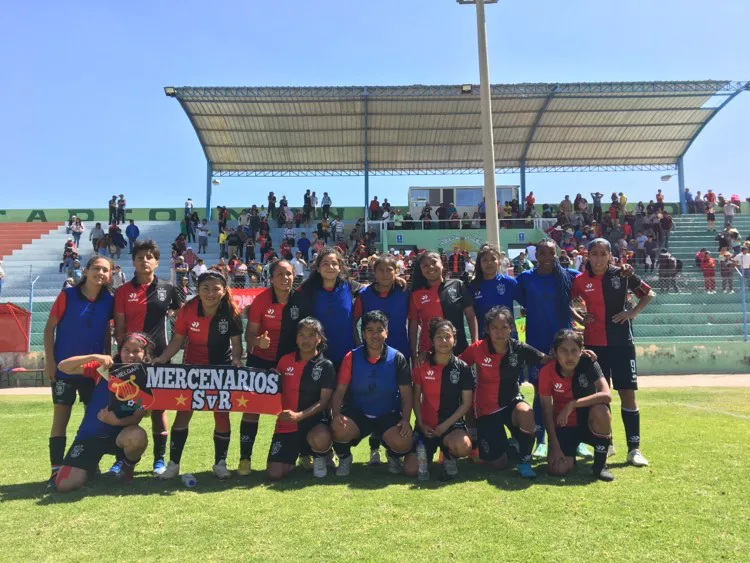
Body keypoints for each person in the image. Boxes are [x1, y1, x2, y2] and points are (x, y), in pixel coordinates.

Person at [153, 271, 244, 480]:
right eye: (205, 288)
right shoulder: (188, 310)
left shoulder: (231, 310)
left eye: (216, 288)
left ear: (224, 290)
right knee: (183, 413)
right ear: (198, 290)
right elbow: (177, 341)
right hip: (192, 369)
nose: (211, 293)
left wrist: (237, 360)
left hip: (220, 369)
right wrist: (162, 358)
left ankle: (220, 463)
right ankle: (173, 464)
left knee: (221, 415)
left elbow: (237, 343)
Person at [572, 238, 653, 466]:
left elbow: (648, 294)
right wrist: (581, 318)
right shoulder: (580, 280)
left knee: (627, 393)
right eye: (593, 254)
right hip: (594, 347)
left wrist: (631, 313)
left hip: (622, 344)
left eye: (602, 254)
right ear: (588, 256)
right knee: (601, 395)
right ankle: (607, 444)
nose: (597, 259)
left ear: (610, 256)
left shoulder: (623, 274)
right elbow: (567, 303)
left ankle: (634, 449)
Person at [43, 255, 114, 487]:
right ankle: (56, 469)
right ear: (86, 270)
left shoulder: (108, 300)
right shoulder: (68, 295)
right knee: (60, 419)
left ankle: (89, 463)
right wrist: (50, 362)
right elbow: (49, 328)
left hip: (92, 373)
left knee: (91, 420)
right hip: (65, 369)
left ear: (110, 275)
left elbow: (106, 333)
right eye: (96, 268)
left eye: (105, 270)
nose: (100, 273)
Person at [113, 240, 180, 475]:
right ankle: (121, 458)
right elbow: (119, 328)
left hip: (159, 358)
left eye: (149, 256)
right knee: (126, 406)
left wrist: (168, 351)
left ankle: (159, 461)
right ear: (133, 261)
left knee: (159, 409)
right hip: (129, 359)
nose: (144, 260)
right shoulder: (122, 291)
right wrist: (123, 359)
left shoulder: (168, 288)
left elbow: (180, 322)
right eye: (140, 257)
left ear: (157, 261)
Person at [53, 333, 152, 492]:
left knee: (138, 436)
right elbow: (63, 366)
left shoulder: (148, 377)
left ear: (145, 354)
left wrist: (116, 422)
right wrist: (93, 356)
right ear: (120, 350)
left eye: (136, 351)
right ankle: (89, 469)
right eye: (126, 349)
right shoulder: (105, 369)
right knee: (64, 485)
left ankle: (126, 469)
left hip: (121, 437)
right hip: (91, 436)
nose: (131, 354)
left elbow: (137, 416)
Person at [459, 306, 549, 478]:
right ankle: (511, 446)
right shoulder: (477, 348)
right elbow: (456, 365)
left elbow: (547, 359)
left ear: (512, 328)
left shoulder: (519, 348)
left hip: (511, 403)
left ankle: (525, 460)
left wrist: (582, 356)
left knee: (526, 412)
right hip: (486, 410)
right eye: (495, 328)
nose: (499, 332)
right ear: (487, 329)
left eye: (504, 327)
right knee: (499, 464)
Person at [516, 239, 582, 459]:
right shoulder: (526, 278)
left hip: (567, 345)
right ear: (536, 255)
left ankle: (578, 439)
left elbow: (594, 283)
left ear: (557, 254)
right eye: (542, 253)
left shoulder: (570, 275)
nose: (546, 257)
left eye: (550, 253)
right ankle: (541, 440)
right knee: (540, 393)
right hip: (538, 345)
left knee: (574, 390)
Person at [331, 311, 413, 476]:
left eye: (379, 330)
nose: (375, 335)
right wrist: (336, 415)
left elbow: (406, 394)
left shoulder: (397, 358)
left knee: (404, 440)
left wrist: (405, 419)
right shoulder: (351, 357)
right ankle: (345, 457)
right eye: (370, 330)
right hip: (358, 414)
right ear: (363, 333)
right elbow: (340, 390)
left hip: (387, 414)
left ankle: (392, 455)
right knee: (337, 428)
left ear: (386, 332)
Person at [353, 254, 411, 465]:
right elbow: (353, 321)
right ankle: (374, 448)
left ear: (396, 271)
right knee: (374, 394)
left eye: (390, 270)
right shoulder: (364, 294)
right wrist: (361, 346)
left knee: (397, 398)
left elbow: (413, 321)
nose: (385, 274)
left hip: (400, 353)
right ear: (374, 272)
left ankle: (392, 448)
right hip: (372, 355)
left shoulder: (404, 291)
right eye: (381, 270)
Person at [237, 259, 294, 476]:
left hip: (289, 362)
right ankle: (245, 458)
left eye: (288, 274)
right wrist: (257, 343)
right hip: (260, 361)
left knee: (292, 409)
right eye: (280, 274)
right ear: (271, 278)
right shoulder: (261, 301)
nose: (285, 278)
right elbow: (248, 334)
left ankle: (304, 453)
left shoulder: (299, 300)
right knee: (252, 410)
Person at [539, 329, 614, 482]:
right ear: (555, 352)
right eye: (564, 351)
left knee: (601, 410)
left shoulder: (589, 364)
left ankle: (600, 466)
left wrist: (572, 404)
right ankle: (569, 455)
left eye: (574, 351)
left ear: (581, 351)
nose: (569, 356)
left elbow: (607, 395)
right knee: (557, 469)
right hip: (564, 425)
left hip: (588, 422)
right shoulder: (547, 372)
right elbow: (546, 411)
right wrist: (555, 445)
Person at [404, 318, 473, 480]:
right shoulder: (422, 364)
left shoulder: (462, 368)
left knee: (463, 446)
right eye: (439, 337)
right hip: (426, 425)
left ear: (454, 340)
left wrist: (444, 426)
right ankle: (424, 458)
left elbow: (466, 404)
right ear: (432, 341)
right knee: (410, 470)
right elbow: (416, 396)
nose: (443, 341)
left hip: (451, 426)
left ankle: (449, 457)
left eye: (447, 336)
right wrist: (420, 423)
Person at [268, 317, 336, 480]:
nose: (306, 340)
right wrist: (270, 379)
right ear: (296, 338)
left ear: (319, 338)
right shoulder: (285, 361)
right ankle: (298, 455)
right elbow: (274, 392)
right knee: (274, 474)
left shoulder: (326, 366)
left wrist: (300, 416)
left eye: (311, 335)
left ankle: (322, 455)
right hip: (287, 424)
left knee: (320, 438)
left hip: (314, 422)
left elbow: (323, 402)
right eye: (302, 335)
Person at [277, 247, 363, 369]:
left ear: (340, 268)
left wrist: (396, 279)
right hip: (317, 359)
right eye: (325, 264)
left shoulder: (349, 286)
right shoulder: (306, 290)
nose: (330, 267)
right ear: (318, 268)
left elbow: (375, 289)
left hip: (348, 355)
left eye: (334, 264)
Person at [408, 251, 478, 361]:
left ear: (442, 264)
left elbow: (470, 316)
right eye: (425, 266)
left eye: (434, 262)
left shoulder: (458, 285)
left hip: (459, 352)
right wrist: (413, 353)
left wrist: (475, 343)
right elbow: (413, 325)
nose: (430, 267)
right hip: (428, 353)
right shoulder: (416, 294)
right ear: (421, 270)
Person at [469, 245, 518, 337]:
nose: (489, 263)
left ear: (499, 262)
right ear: (479, 263)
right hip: (484, 339)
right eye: (485, 260)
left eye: (493, 259)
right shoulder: (472, 286)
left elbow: (529, 304)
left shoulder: (509, 282)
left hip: (508, 338)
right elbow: (470, 316)